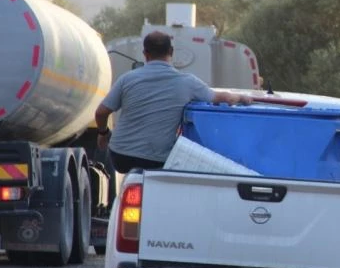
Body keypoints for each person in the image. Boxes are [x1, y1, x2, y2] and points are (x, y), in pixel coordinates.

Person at [94, 31, 252, 173]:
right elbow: (224, 98)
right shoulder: (187, 82)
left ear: (145, 54)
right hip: (155, 160)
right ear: (171, 52)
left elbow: (101, 112)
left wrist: (103, 133)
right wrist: (242, 98)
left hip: (120, 157)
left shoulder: (127, 79)